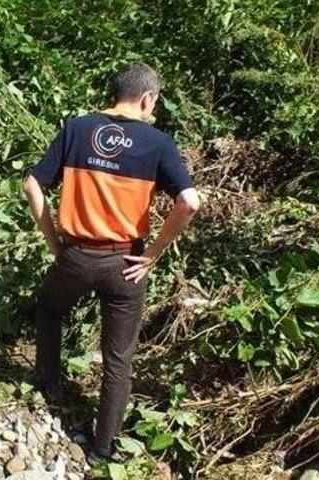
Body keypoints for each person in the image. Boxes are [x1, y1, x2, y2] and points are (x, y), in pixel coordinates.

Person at [22, 62, 200, 462]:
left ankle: (50, 382)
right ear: (148, 98)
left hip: (76, 253)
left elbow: (32, 184)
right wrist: (152, 254)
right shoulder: (158, 142)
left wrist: (55, 243)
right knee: (118, 360)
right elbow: (189, 201)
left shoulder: (78, 128)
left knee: (50, 309)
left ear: (114, 92)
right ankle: (103, 450)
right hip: (127, 263)